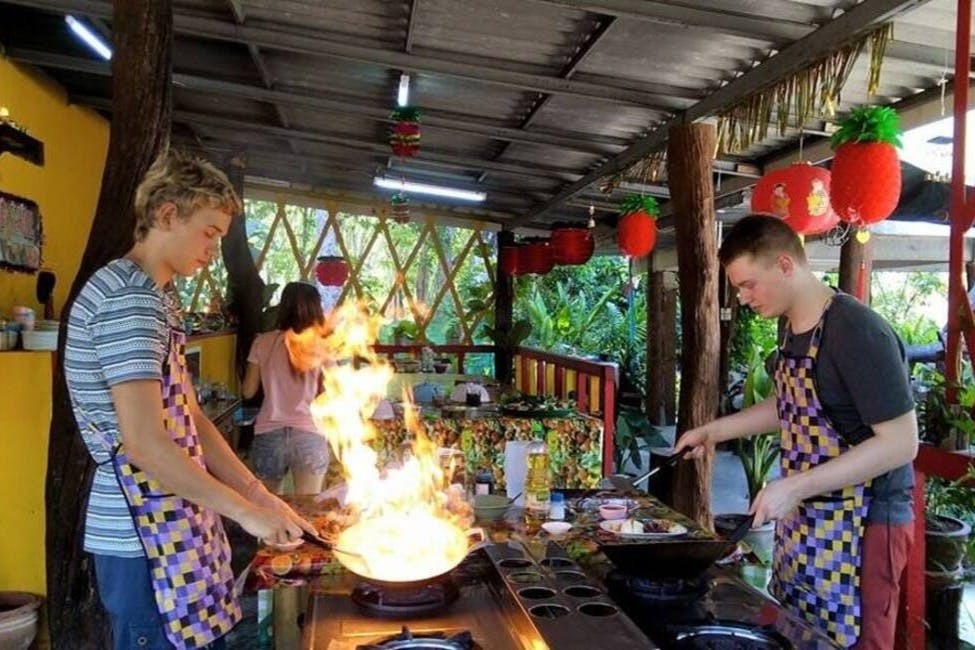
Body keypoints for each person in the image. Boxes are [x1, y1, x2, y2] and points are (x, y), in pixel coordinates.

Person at [64, 150, 316, 649]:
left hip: (175, 521)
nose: (214, 247)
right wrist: (245, 514)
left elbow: (192, 418)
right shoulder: (127, 301)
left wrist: (259, 495)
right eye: (209, 232)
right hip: (143, 539)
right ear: (167, 214)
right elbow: (145, 445)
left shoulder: (157, 295)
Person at [676, 214, 918, 649]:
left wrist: (796, 487)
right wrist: (713, 431)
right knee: (798, 628)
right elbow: (789, 404)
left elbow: (902, 442)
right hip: (809, 513)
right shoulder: (791, 326)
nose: (742, 297)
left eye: (749, 283)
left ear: (785, 265)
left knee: (855, 639)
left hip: (866, 522)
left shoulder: (856, 330)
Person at [242, 281, 333, 495]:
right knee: (310, 510)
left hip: (269, 433)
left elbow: (248, 391)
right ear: (316, 307)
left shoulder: (262, 342)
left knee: (270, 512)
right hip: (309, 433)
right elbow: (332, 395)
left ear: (283, 306)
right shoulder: (322, 346)